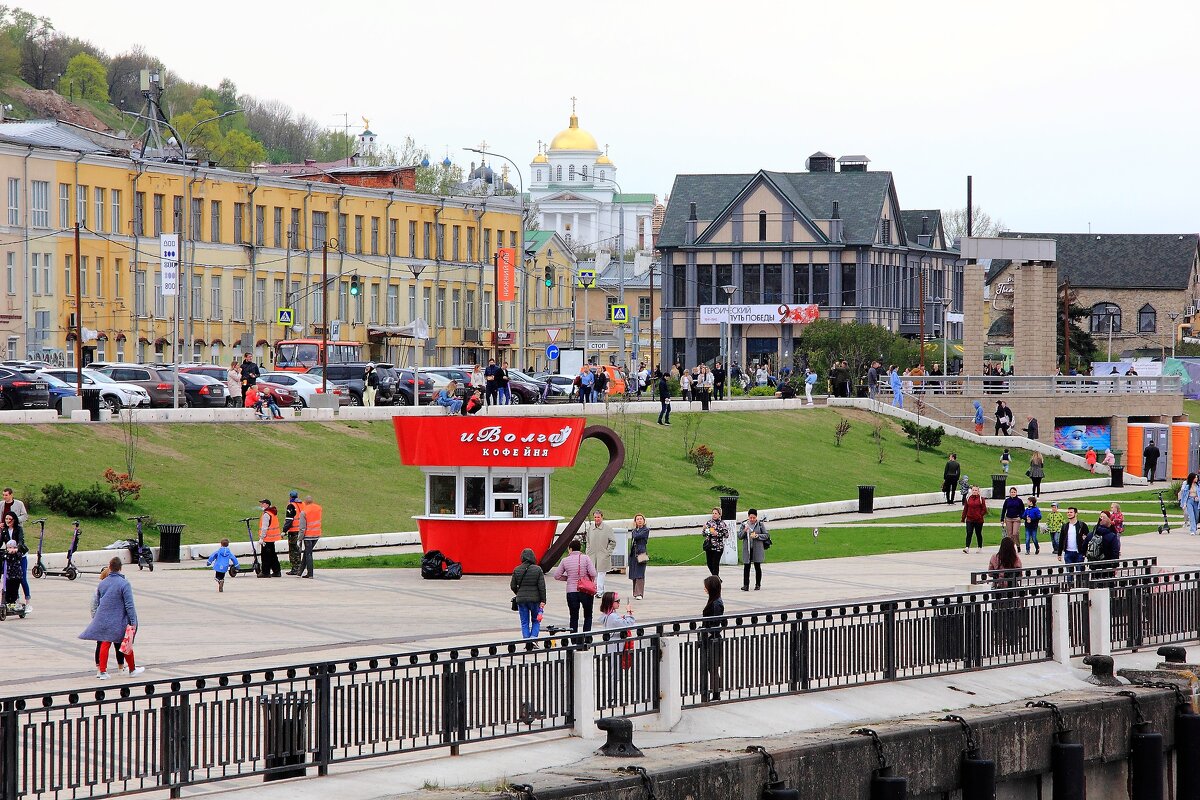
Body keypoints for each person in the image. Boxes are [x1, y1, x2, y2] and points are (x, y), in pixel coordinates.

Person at [80, 557, 145, 679]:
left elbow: (98, 601)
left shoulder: (102, 583)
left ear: (110, 567)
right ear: (120, 568)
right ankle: (132, 669)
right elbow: (129, 605)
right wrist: (133, 621)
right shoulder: (124, 584)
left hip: (104, 619)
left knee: (105, 643)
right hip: (119, 620)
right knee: (126, 643)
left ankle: (102, 671)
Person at [597, 591, 635, 706]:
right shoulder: (612, 616)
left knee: (614, 672)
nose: (619, 603)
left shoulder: (609, 615)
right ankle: (611, 698)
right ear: (610, 603)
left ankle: (611, 697)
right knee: (614, 673)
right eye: (617, 601)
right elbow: (628, 624)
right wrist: (629, 613)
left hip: (613, 647)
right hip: (616, 648)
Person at [552, 540, 597, 633]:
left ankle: (573, 639)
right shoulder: (586, 558)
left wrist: (568, 578)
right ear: (580, 549)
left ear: (570, 549)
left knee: (573, 616)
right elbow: (593, 573)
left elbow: (557, 575)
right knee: (588, 615)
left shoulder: (565, 560)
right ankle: (587, 637)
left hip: (571, 591)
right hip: (586, 591)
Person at [91, 566, 126, 674]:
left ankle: (100, 668)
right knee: (116, 644)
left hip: (102, 619)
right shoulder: (108, 589)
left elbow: (93, 606)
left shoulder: (99, 588)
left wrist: (96, 618)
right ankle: (120, 667)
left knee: (101, 644)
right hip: (111, 620)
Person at [511, 547, 547, 639]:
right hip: (535, 600)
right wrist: (543, 600)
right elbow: (542, 587)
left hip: (521, 600)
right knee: (536, 620)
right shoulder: (538, 569)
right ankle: (533, 638)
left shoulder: (517, 570)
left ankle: (526, 641)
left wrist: (519, 593)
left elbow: (512, 586)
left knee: (524, 622)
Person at [700, 575, 725, 702]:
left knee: (712, 667)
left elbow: (715, 623)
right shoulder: (714, 600)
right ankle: (715, 691)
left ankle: (716, 693)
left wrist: (706, 632)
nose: (705, 588)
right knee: (711, 667)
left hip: (713, 640)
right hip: (711, 639)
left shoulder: (716, 603)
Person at [583, 510, 616, 594]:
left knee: (601, 573)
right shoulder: (590, 528)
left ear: (602, 517)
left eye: (598, 517)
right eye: (595, 517)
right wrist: (588, 551)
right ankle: (593, 589)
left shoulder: (608, 529)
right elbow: (588, 541)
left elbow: (612, 542)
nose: (597, 519)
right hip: (592, 555)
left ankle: (599, 591)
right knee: (592, 573)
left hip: (603, 555)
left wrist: (607, 552)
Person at [0, 511, 28, 611]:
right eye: (6, 519)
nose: (7, 521)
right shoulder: (4, 530)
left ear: (14, 520)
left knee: (22, 578)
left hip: (20, 555)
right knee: (8, 579)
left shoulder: (18, 529)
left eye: (9, 519)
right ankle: (13, 600)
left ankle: (27, 600)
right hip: (9, 557)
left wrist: (16, 549)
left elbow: (20, 541)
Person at [738, 509, 770, 591]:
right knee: (746, 566)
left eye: (754, 517)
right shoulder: (744, 524)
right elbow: (740, 536)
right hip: (747, 548)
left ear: (756, 517)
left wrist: (757, 536)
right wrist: (745, 530)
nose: (752, 519)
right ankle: (746, 585)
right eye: (750, 517)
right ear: (748, 517)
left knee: (757, 566)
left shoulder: (760, 524)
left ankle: (758, 584)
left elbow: (766, 535)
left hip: (757, 548)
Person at [297, 494, 322, 578]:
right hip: (317, 534)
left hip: (308, 535)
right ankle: (299, 572)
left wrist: (299, 539)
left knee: (308, 554)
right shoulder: (319, 508)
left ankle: (310, 574)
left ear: (305, 502)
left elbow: (302, 528)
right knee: (307, 552)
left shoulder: (304, 512)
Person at [701, 507, 729, 576]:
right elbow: (704, 534)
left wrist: (718, 534)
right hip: (709, 546)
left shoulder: (722, 524)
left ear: (719, 515)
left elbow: (726, 534)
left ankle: (715, 580)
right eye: (713, 513)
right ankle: (717, 579)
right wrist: (704, 530)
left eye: (716, 513)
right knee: (709, 563)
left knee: (715, 564)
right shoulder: (709, 523)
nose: (714, 515)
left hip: (718, 547)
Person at [258, 498, 282, 578]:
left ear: (267, 505)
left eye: (263, 503)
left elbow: (264, 527)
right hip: (272, 538)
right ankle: (277, 571)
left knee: (265, 556)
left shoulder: (266, 514)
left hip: (267, 538)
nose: (261, 505)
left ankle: (265, 572)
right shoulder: (272, 513)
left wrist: (262, 538)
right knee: (273, 555)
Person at [628, 514, 650, 599]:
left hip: (642, 553)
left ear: (644, 521)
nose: (639, 520)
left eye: (641, 519)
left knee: (640, 573)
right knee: (634, 573)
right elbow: (634, 535)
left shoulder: (646, 530)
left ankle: (640, 593)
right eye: (637, 519)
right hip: (634, 553)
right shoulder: (634, 530)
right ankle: (635, 592)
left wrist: (635, 532)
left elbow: (637, 536)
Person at [961, 486, 987, 553]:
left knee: (978, 533)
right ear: (971, 491)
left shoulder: (981, 499)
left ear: (978, 491)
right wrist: (963, 518)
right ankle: (967, 547)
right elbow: (965, 509)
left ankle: (979, 547)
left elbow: (984, 509)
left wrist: (979, 515)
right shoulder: (968, 498)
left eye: (976, 490)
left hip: (978, 520)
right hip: (969, 519)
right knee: (969, 532)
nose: (974, 491)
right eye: (973, 490)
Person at [283, 491, 303, 575]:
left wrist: (284, 530)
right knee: (298, 549)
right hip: (301, 530)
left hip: (293, 531)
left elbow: (289, 520)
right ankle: (299, 567)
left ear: (290, 497)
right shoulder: (302, 504)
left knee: (293, 550)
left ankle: (295, 568)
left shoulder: (291, 505)